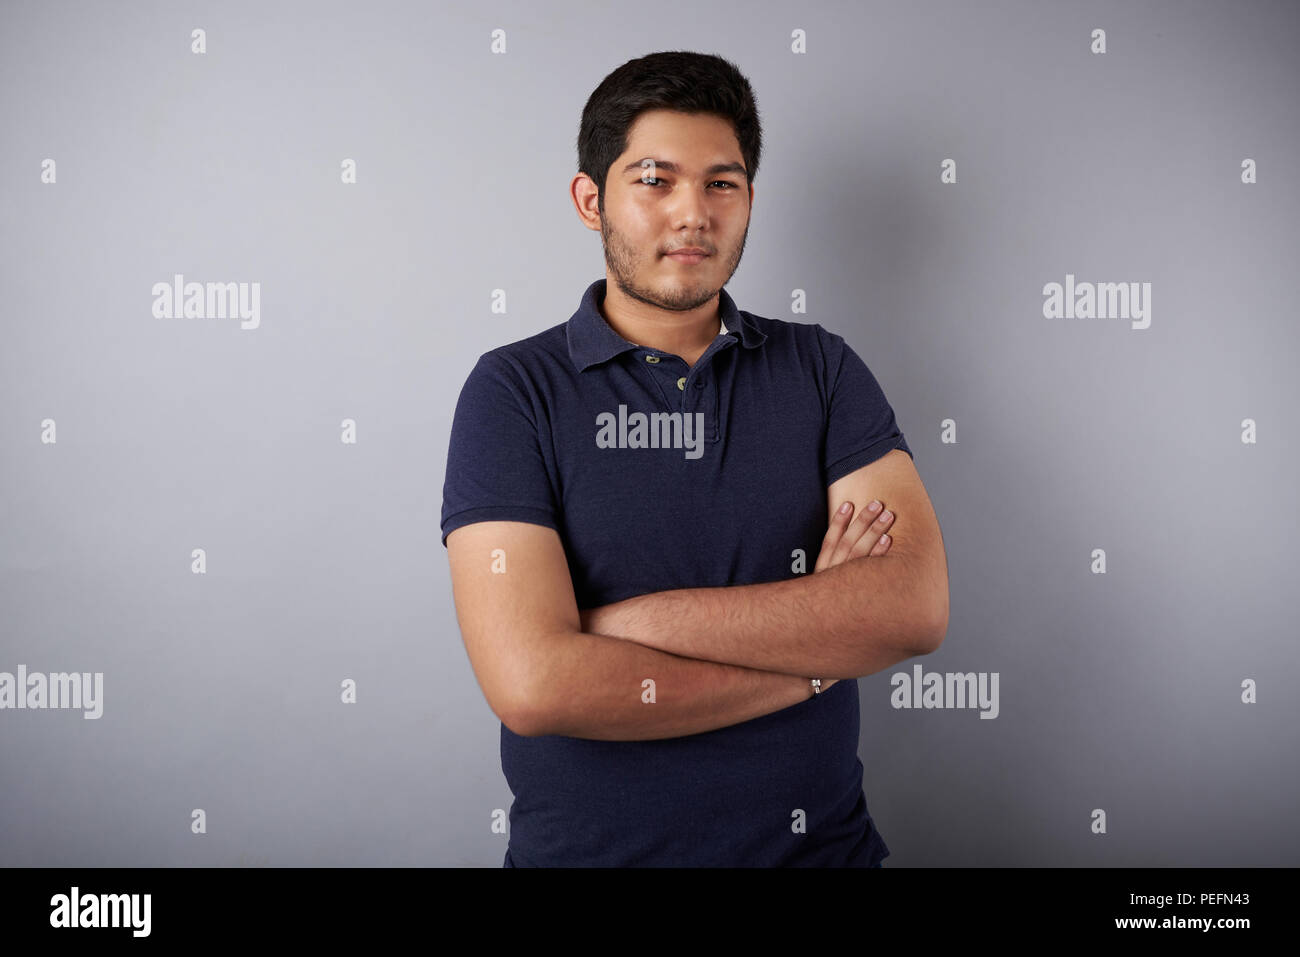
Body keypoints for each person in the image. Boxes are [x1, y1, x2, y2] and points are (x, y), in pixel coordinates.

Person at [441, 51, 949, 867]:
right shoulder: (513, 392)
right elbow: (534, 684)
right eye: (654, 179)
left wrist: (629, 625)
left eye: (723, 182)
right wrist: (812, 660)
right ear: (589, 199)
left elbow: (912, 607)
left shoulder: (820, 370)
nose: (694, 213)